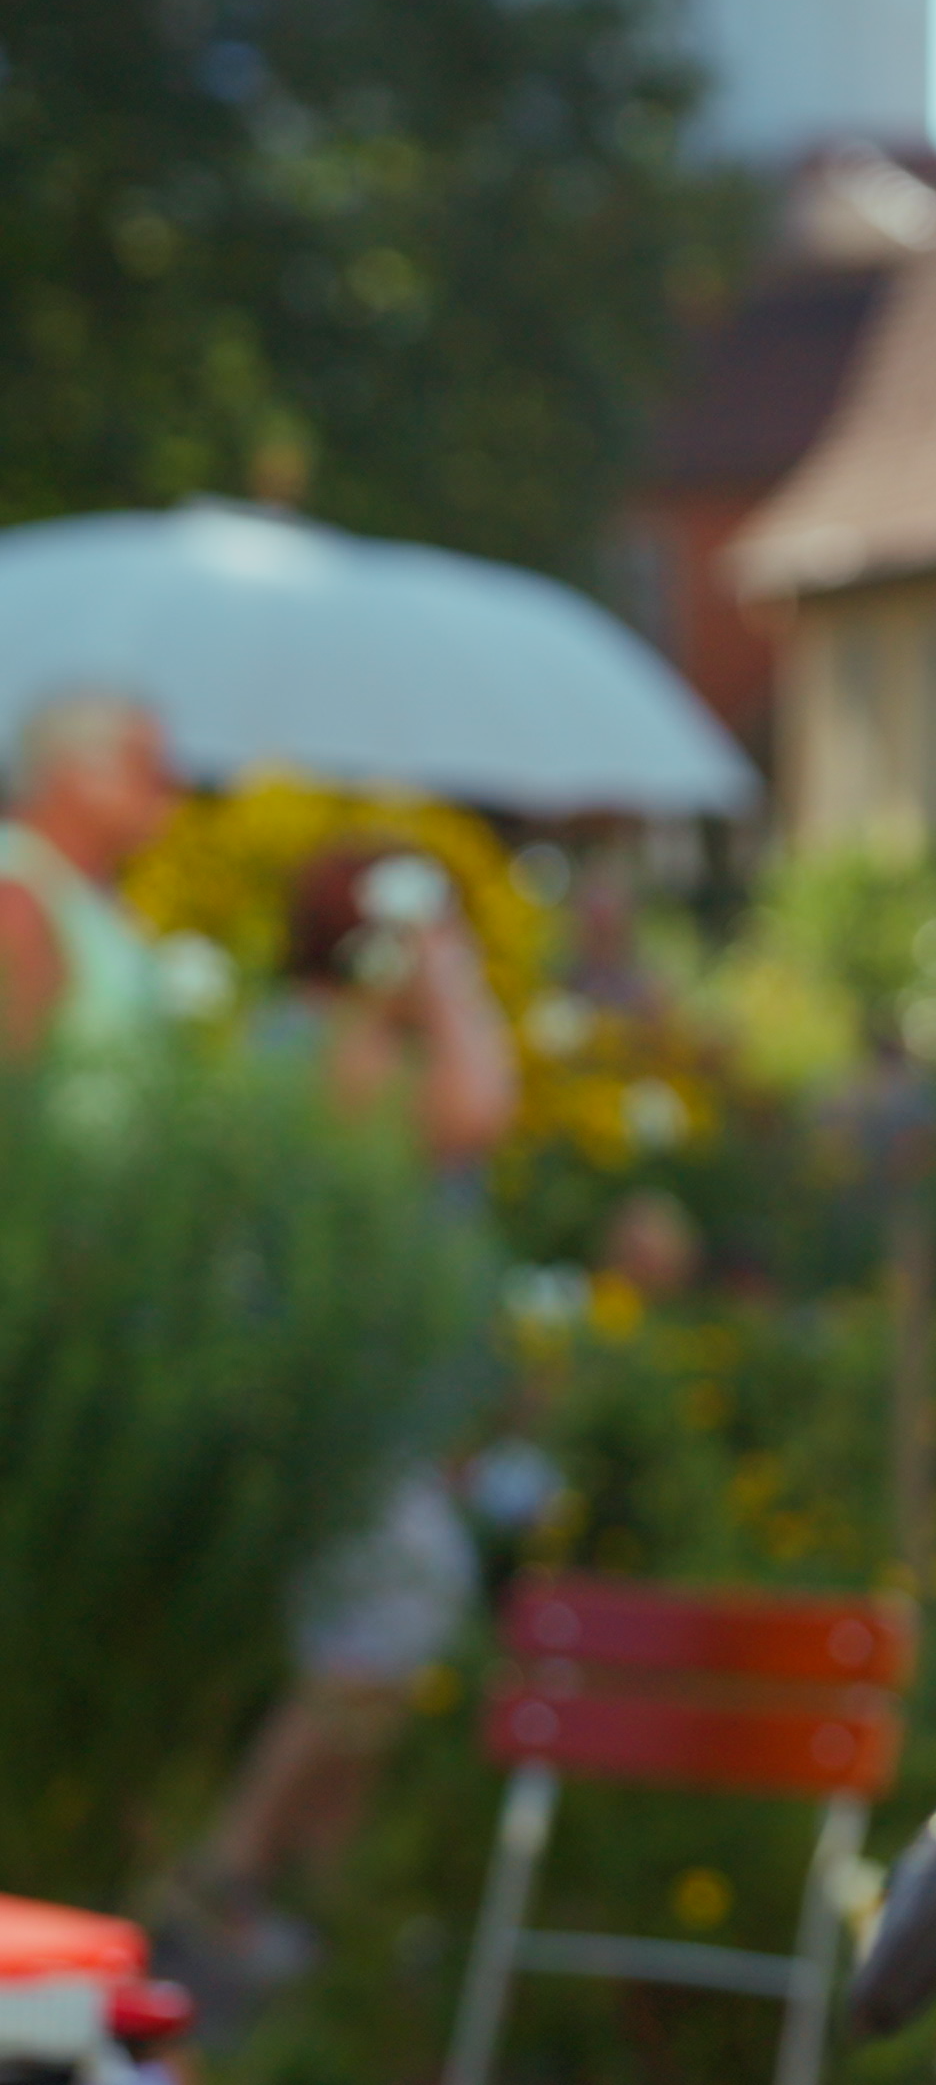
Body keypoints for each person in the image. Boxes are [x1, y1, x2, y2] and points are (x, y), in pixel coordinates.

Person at [178, 842, 520, 1994]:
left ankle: (314, 1923)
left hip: (386, 1419)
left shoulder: (359, 1038)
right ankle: (227, 1866)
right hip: (327, 1415)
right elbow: (473, 1111)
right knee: (394, 1614)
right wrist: (445, 986)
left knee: (366, 1644)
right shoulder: (310, 1046)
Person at [0, 691, 175, 1058]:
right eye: (144, 766)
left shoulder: (70, 886)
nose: (170, 785)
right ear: (71, 775)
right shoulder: (16, 893)